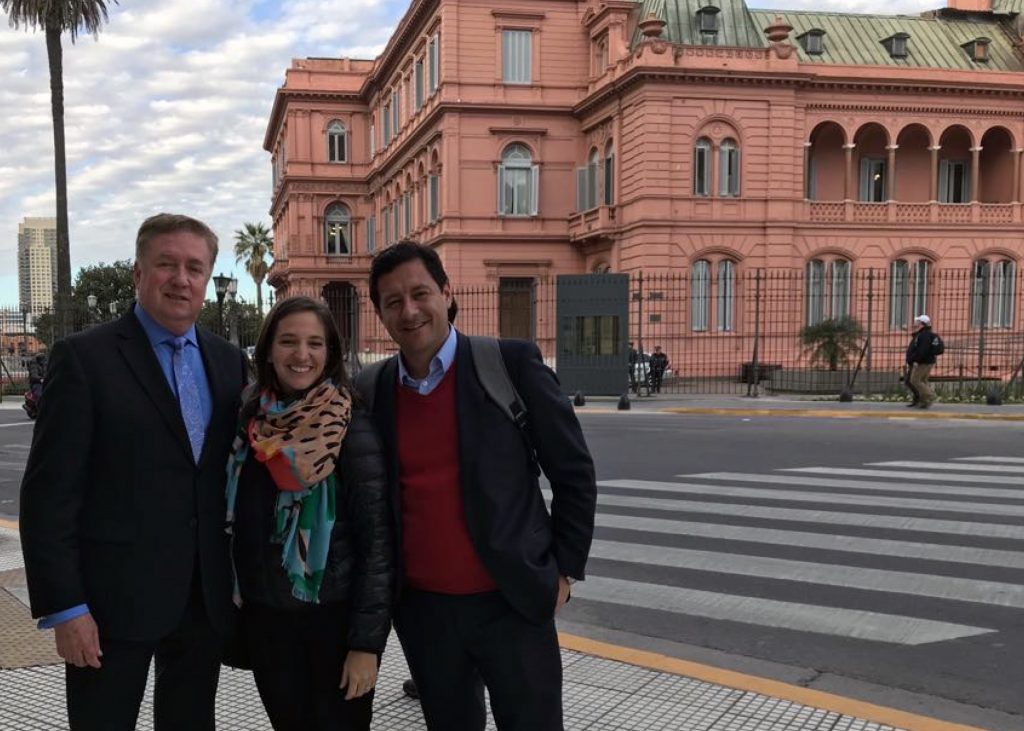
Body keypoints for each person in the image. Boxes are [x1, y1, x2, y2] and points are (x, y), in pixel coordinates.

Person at [19, 213, 250, 730]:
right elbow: (48, 495)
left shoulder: (228, 360)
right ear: (138, 273)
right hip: (108, 607)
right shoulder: (83, 358)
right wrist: (66, 608)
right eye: (166, 264)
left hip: (202, 600)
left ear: (209, 278)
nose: (181, 278)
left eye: (195, 267)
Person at [356, 241, 597, 731]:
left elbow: (573, 471)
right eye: (392, 301)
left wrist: (564, 571)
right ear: (380, 314)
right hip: (423, 612)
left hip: (510, 600)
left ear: (446, 292)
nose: (410, 310)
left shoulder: (509, 364)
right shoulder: (371, 389)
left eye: (420, 292)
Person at [226, 296, 393, 731]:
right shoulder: (249, 421)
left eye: (315, 343)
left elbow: (378, 543)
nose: (302, 355)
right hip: (267, 623)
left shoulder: (350, 425)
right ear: (267, 350)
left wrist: (366, 646)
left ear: (330, 352)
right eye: (289, 341)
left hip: (333, 626)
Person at [906, 314, 939, 409]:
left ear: (922, 324)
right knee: (922, 380)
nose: (915, 323)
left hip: (923, 362)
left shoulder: (924, 335)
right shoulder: (923, 333)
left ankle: (930, 395)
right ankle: (925, 401)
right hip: (926, 361)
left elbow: (922, 350)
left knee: (914, 380)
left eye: (918, 321)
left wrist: (916, 360)